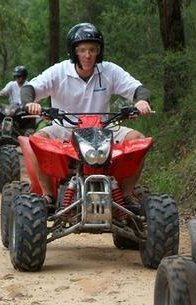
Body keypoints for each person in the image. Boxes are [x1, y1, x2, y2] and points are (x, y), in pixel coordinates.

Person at [21, 22, 152, 205]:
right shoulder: (59, 71)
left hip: (104, 127)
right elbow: (30, 88)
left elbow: (138, 88)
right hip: (64, 127)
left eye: (92, 49)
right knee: (36, 142)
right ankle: (48, 195)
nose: (87, 55)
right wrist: (29, 103)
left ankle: (127, 194)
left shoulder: (109, 71)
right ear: (74, 52)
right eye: (82, 50)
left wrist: (141, 101)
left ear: (99, 51)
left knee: (138, 140)